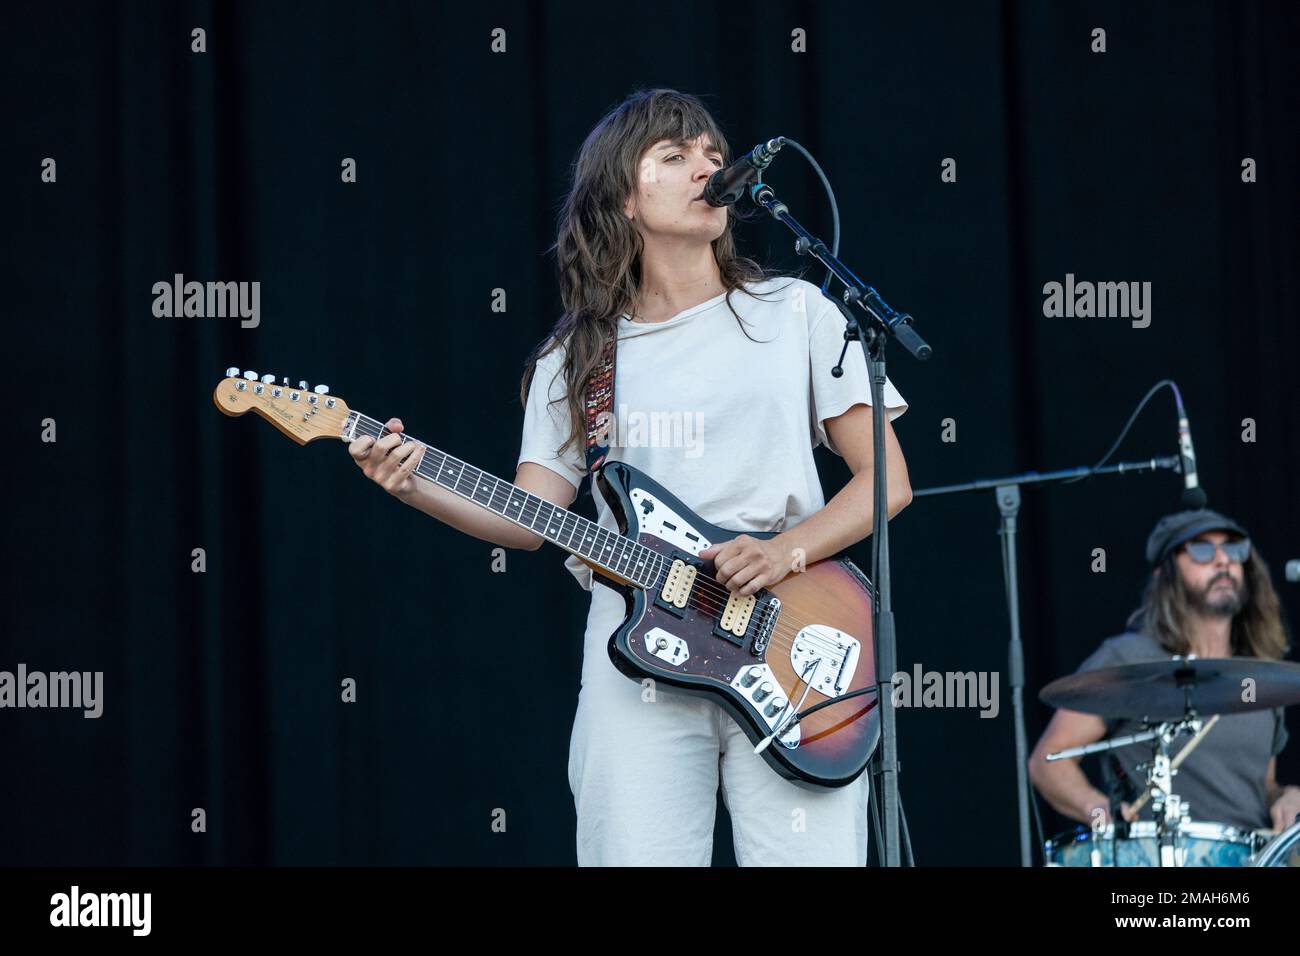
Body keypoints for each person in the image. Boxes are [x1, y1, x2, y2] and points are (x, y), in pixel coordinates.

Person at [348, 88, 912, 865]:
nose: (707, 168)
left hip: (792, 635)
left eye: (714, 154)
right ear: (621, 197)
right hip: (637, 655)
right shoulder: (577, 358)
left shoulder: (798, 313)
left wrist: (784, 551)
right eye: (675, 156)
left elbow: (885, 482)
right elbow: (529, 518)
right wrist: (413, 483)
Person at [1030, 509, 1300, 835]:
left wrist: (1285, 796)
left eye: (1233, 549)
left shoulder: (1262, 678)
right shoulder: (1129, 661)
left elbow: (1261, 784)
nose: (1222, 561)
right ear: (1165, 574)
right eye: (1201, 549)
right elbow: (1049, 759)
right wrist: (1098, 810)